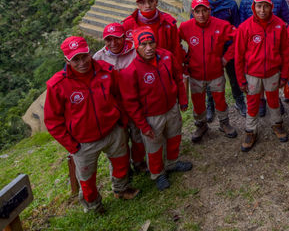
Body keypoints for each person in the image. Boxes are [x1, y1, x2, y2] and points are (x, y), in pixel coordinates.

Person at [44, 36, 139, 213]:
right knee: (87, 180)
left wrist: (121, 122)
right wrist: (72, 146)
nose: (82, 63)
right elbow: (52, 121)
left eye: (84, 56)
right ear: (66, 60)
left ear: (89, 53)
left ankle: (121, 189)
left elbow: (119, 96)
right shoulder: (57, 85)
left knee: (121, 164)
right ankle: (93, 205)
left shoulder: (107, 71)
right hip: (83, 142)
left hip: (113, 131)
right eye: (75, 59)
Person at [119, 27, 192, 191]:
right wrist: (143, 125)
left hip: (171, 108)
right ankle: (158, 173)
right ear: (136, 47)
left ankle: (172, 163)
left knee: (174, 137)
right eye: (143, 44)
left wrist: (182, 100)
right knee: (154, 147)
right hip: (151, 116)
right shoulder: (131, 71)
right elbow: (131, 102)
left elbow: (178, 78)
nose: (149, 48)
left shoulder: (166, 56)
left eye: (151, 42)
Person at [234, 0, 289, 152]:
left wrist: (284, 74)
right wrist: (241, 80)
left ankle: (277, 124)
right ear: (253, 7)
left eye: (266, 6)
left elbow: (285, 52)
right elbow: (238, 56)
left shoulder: (279, 25)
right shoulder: (245, 28)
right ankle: (250, 131)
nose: (262, 10)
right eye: (259, 6)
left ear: (271, 7)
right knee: (252, 103)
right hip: (252, 74)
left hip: (272, 73)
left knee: (273, 101)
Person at [180, 0, 237, 143]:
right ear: (192, 12)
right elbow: (175, 43)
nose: (201, 14)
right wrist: (185, 59)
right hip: (196, 74)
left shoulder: (222, 25)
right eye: (197, 11)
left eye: (204, 10)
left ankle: (224, 123)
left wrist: (226, 58)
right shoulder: (185, 27)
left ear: (209, 11)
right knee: (198, 101)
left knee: (220, 99)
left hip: (216, 72)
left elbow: (238, 38)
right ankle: (201, 125)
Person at [92, 23, 145, 172]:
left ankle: (139, 162)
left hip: (135, 104)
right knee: (120, 141)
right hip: (114, 109)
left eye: (117, 38)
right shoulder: (98, 57)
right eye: (108, 40)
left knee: (138, 136)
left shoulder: (135, 52)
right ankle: (124, 169)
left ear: (123, 37)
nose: (113, 43)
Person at [200, 0, 246, 119]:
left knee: (234, 76)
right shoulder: (200, 5)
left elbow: (237, 29)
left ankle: (239, 101)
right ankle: (211, 105)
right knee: (210, 80)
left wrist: (230, 53)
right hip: (210, 50)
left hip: (228, 47)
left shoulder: (231, 4)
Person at [122, 0, 184, 69]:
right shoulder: (128, 24)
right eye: (142, 2)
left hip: (164, 68)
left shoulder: (169, 23)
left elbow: (176, 49)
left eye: (150, 1)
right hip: (138, 70)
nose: (147, 6)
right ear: (137, 5)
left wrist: (178, 72)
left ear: (156, 2)